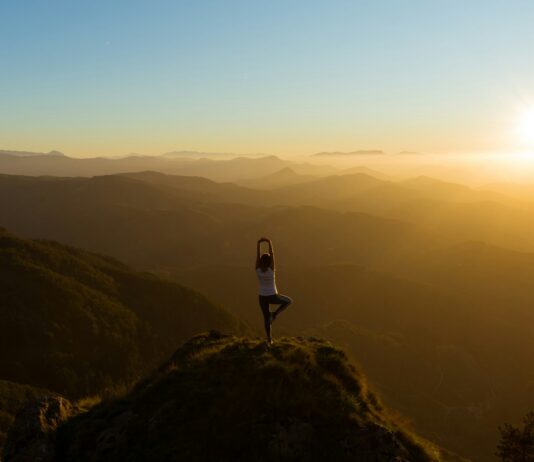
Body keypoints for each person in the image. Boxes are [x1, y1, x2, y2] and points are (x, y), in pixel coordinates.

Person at [255, 237, 292, 345]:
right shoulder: (271, 270)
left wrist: (259, 244)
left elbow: (257, 256)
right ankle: (274, 315)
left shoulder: (257, 270)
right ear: (269, 262)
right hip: (272, 296)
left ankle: (269, 339)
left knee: (266, 319)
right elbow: (272, 254)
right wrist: (269, 242)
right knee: (288, 301)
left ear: (261, 261)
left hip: (262, 297)